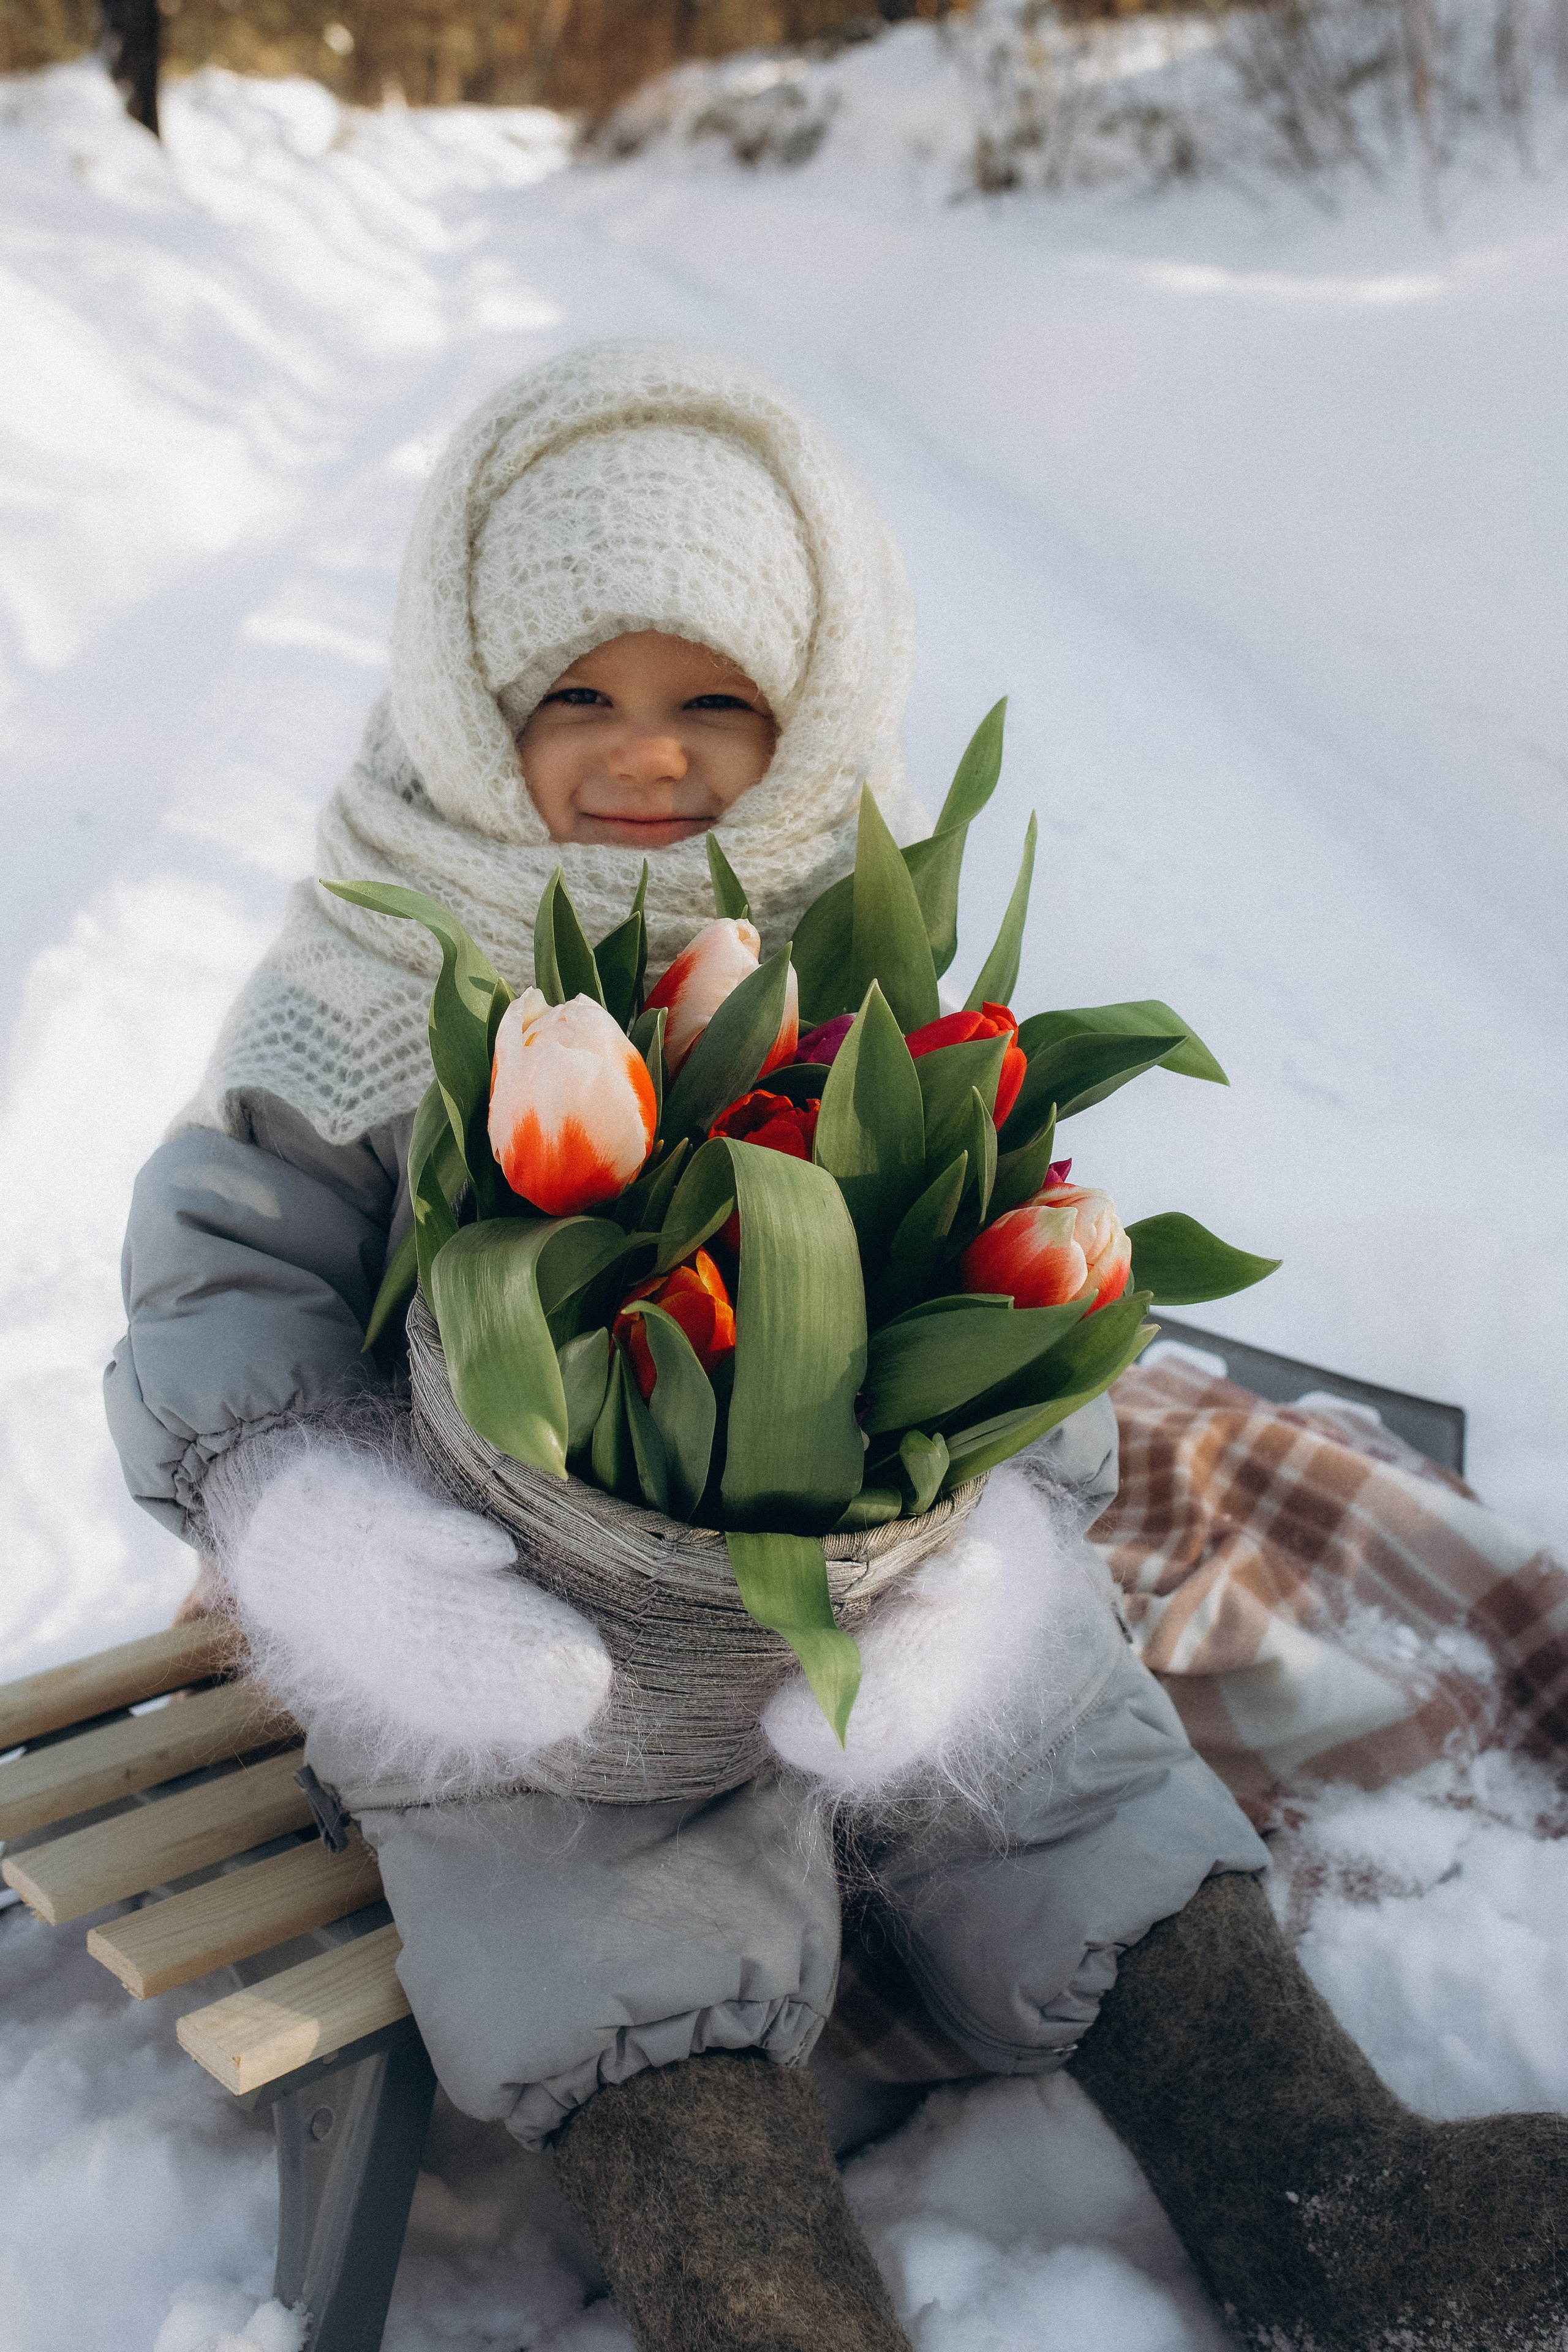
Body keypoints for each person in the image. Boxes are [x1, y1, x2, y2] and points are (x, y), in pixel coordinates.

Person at [105, 340, 1563, 2352]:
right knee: (565, 1834)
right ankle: (755, 2289)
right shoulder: (376, 960)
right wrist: (309, 1532)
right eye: (577, 699)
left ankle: (1324, 2176)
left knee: (1053, 1731)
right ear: (472, 704)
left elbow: (1007, 1291)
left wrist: (992, 1551)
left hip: (848, 1560)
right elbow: (222, 1291)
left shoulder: (832, 940)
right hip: (492, 1587)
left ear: (805, 716)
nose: (648, 756)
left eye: (717, 703)